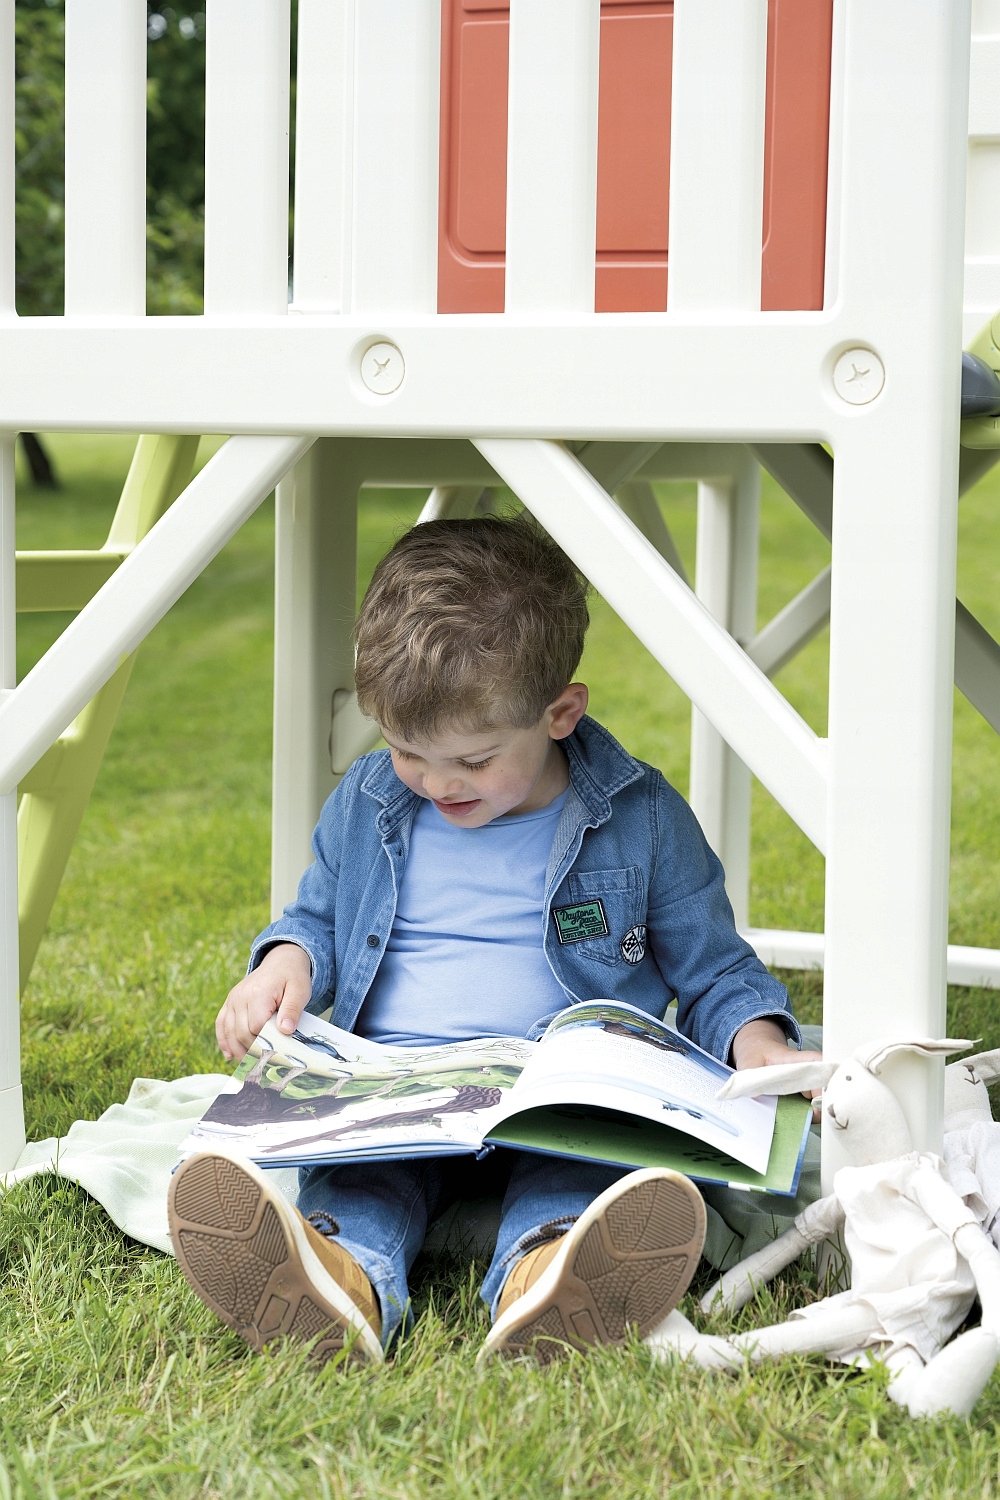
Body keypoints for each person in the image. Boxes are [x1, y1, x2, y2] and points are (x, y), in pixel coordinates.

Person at [168, 514, 818, 1368]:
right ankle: (335, 1280)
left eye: (473, 762)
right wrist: (284, 963)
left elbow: (715, 969)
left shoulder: (643, 818)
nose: (436, 782)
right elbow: (317, 916)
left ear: (560, 713)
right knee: (362, 1184)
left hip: (562, 1100)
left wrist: (757, 1039)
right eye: (405, 750)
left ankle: (549, 1280)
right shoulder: (370, 798)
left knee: (578, 1178)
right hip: (397, 1091)